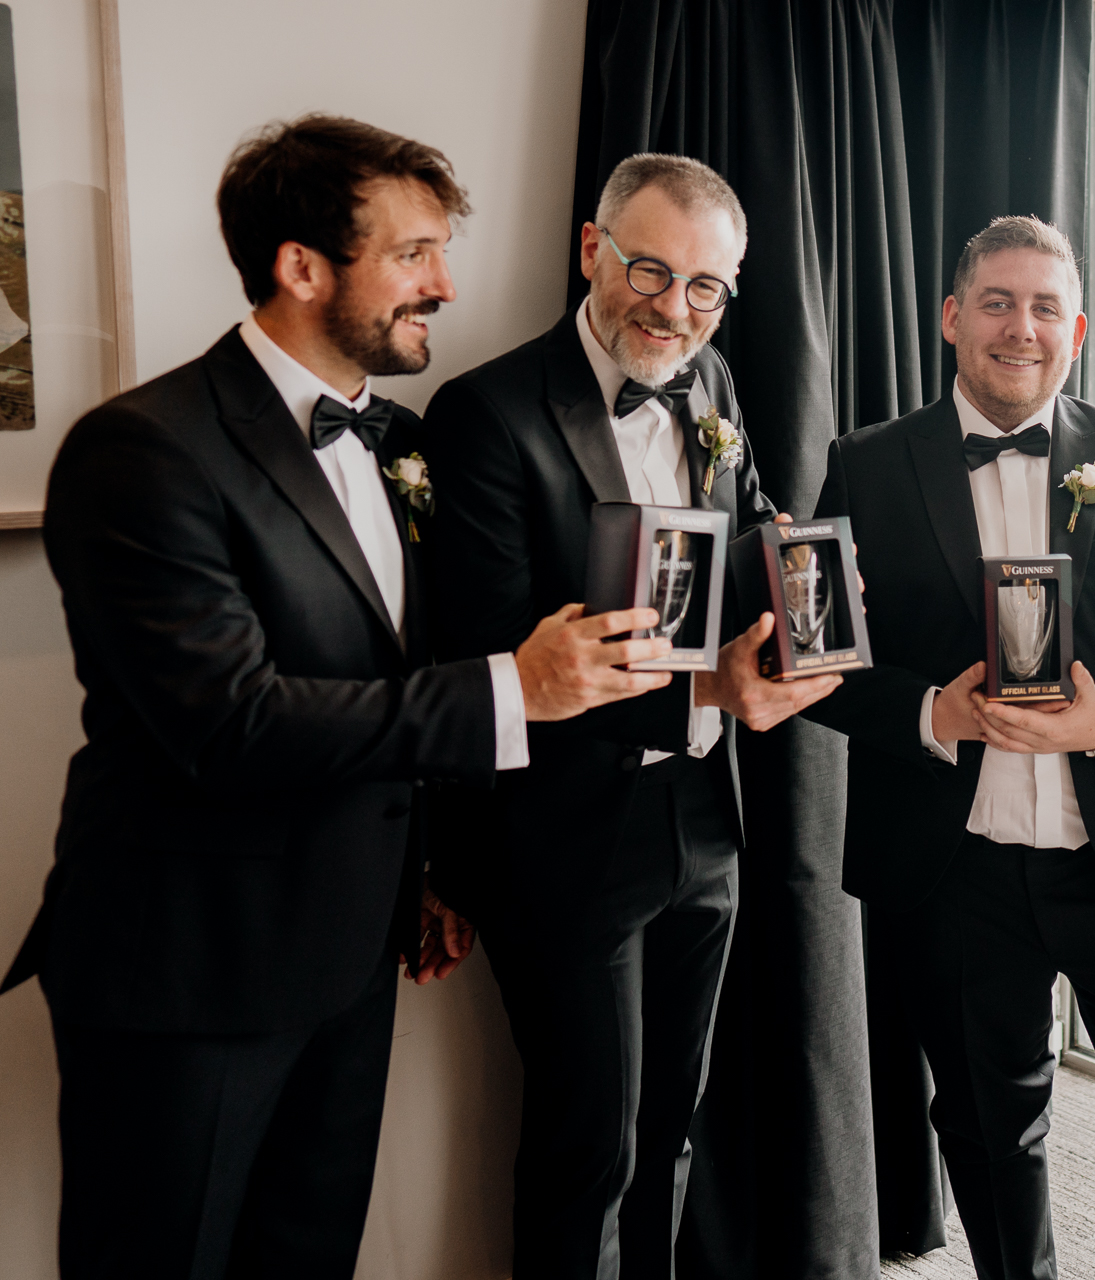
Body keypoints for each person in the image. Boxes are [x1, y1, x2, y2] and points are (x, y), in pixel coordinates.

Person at [0, 115, 668, 1279]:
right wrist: (513, 685)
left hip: (353, 950)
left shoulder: (403, 442)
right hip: (192, 968)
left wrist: (431, 870)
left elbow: (390, 674)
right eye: (413, 255)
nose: (446, 284)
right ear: (302, 266)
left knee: (306, 1256)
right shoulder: (140, 451)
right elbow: (231, 720)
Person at [806, 215, 1095, 1280]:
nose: (1024, 327)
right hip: (951, 865)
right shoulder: (866, 465)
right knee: (984, 1130)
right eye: (1000, 303)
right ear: (954, 317)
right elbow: (819, 659)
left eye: (1047, 306)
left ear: (1079, 327)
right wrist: (933, 712)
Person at [419, 153, 837, 1279]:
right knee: (586, 1146)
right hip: (562, 834)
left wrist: (798, 607)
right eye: (653, 270)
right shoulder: (484, 412)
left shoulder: (713, 388)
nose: (677, 308)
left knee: (674, 1130)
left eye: (708, 287)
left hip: (705, 817)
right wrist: (714, 689)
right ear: (594, 249)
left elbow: (745, 538)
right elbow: (496, 659)